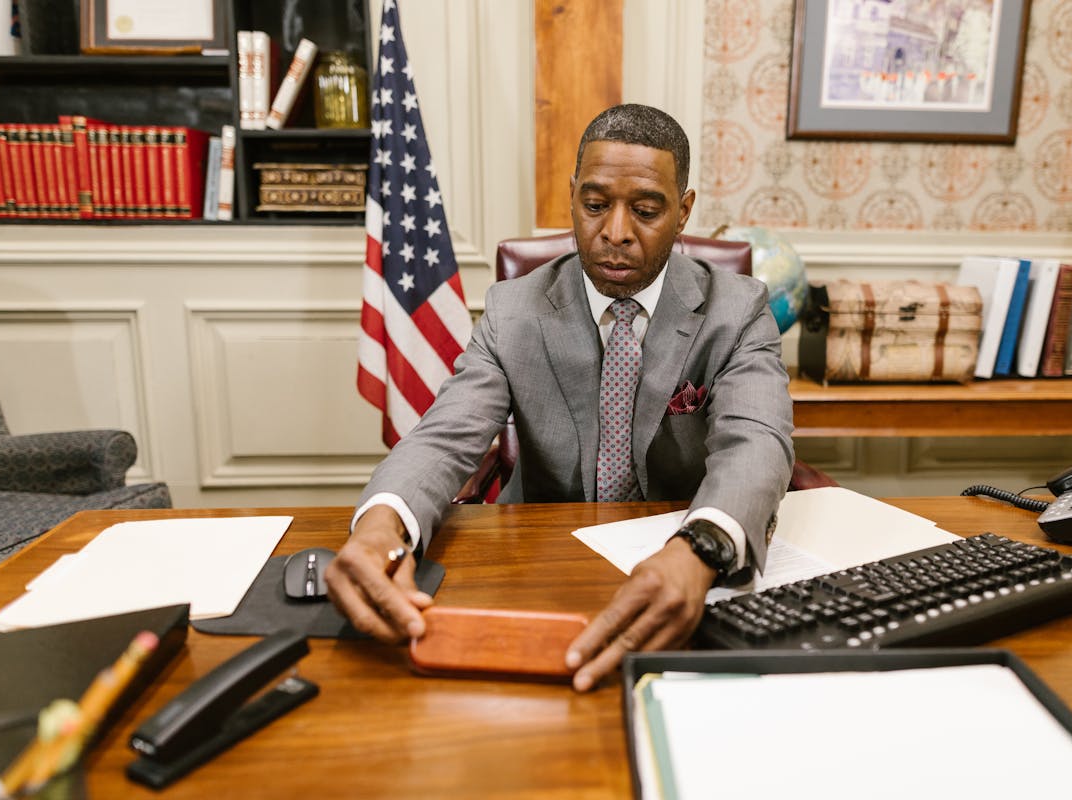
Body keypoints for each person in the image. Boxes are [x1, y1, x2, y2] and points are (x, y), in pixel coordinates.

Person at [326, 103, 794, 691]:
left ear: (683, 212)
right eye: (595, 205)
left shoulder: (738, 309)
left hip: (682, 568)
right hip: (542, 564)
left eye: (646, 210)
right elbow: (446, 435)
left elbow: (759, 440)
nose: (616, 232)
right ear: (572, 196)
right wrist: (381, 526)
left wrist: (701, 549)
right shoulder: (513, 309)